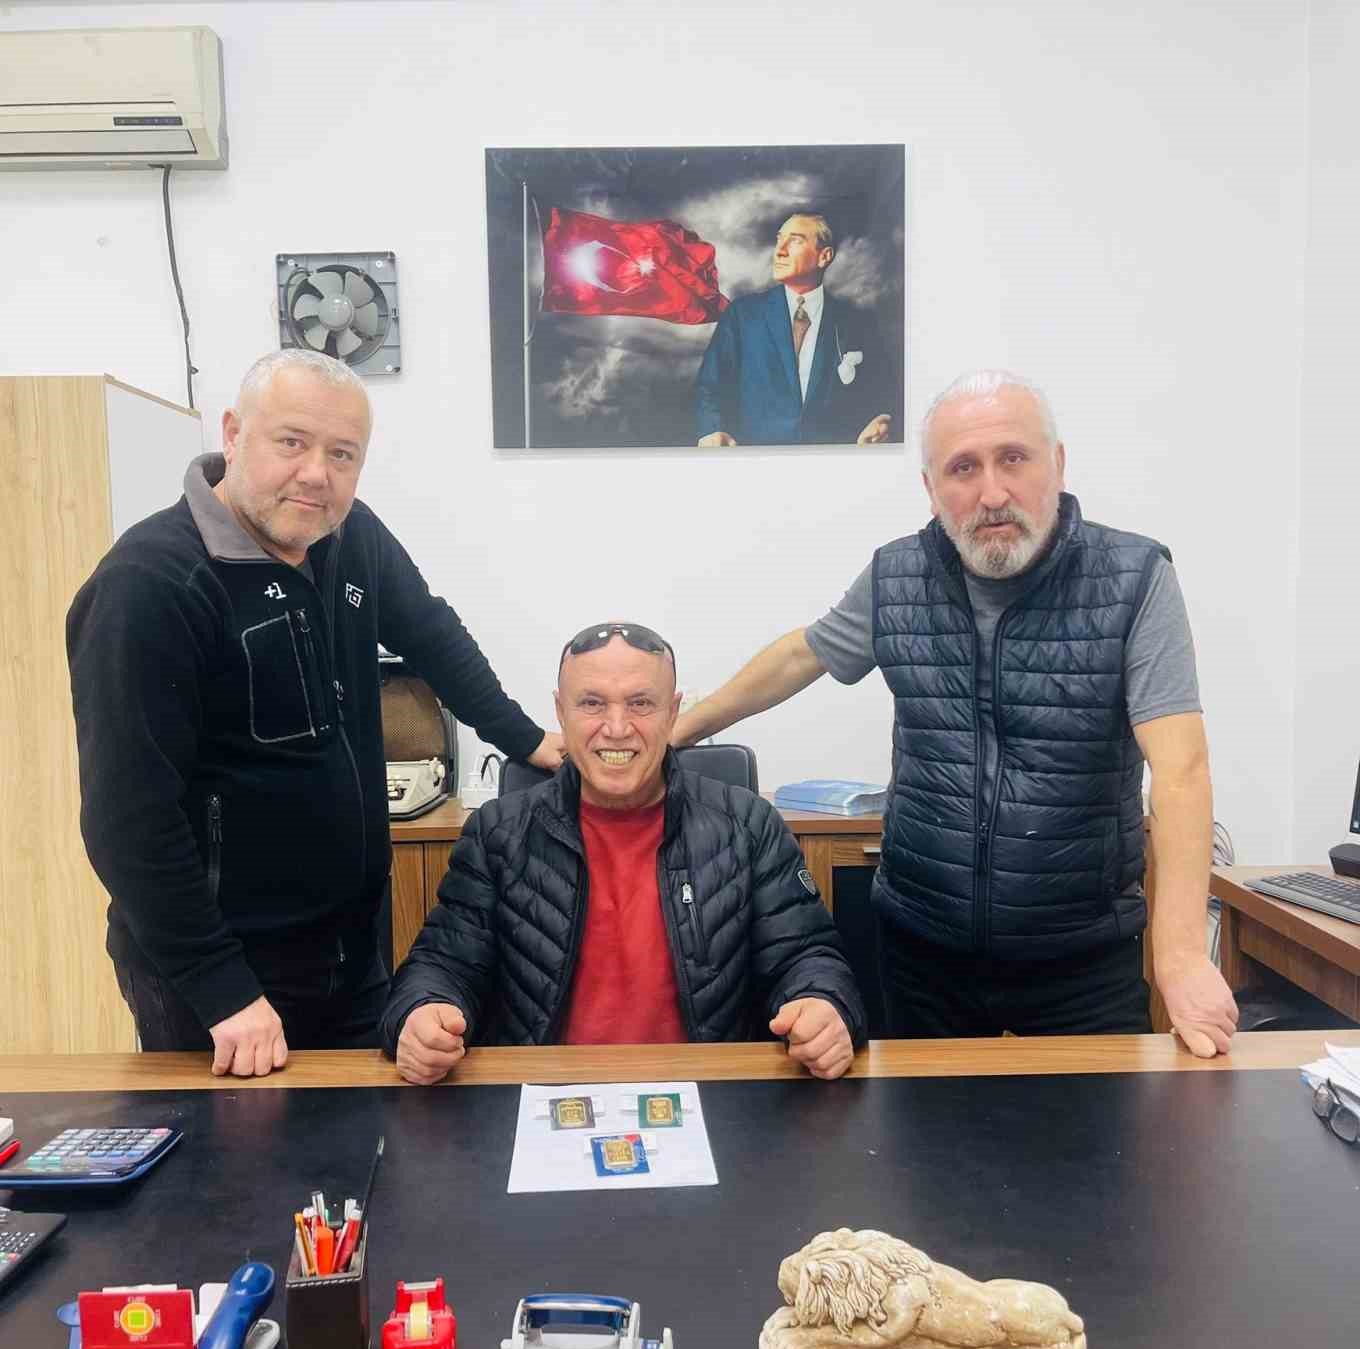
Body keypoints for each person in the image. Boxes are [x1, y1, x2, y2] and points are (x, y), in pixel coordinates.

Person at [673, 370, 1239, 1058]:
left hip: (1082, 961)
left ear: (1057, 464)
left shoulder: (1136, 578)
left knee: (1099, 1131)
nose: (992, 493)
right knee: (918, 1130)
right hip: (921, 953)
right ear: (931, 487)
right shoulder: (897, 575)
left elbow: (1181, 772)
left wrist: (1181, 956)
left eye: (1013, 458)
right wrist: (677, 730)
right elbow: (804, 654)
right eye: (963, 468)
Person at [67, 349, 562, 1077]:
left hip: (353, 951)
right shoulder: (150, 585)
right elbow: (128, 819)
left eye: (342, 454)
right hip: (222, 979)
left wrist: (525, 738)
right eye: (291, 442)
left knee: (366, 1139)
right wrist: (223, 989)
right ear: (233, 434)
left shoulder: (350, 535)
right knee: (238, 1152)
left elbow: (432, 635)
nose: (315, 474)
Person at [383, 621, 866, 1083]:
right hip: (544, 1098)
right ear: (561, 712)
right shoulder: (498, 834)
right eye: (592, 703)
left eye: (641, 703)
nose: (616, 728)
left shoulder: (748, 826)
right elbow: (442, 964)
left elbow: (807, 955)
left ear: (672, 712)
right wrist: (423, 1010)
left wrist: (823, 1003)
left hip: (711, 1096)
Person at [695, 212, 893, 447]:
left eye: (795, 241)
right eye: (779, 239)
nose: (779, 250)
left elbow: (884, 392)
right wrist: (712, 430)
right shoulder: (742, 315)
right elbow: (709, 387)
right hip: (757, 459)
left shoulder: (857, 321)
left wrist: (881, 421)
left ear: (824, 256)